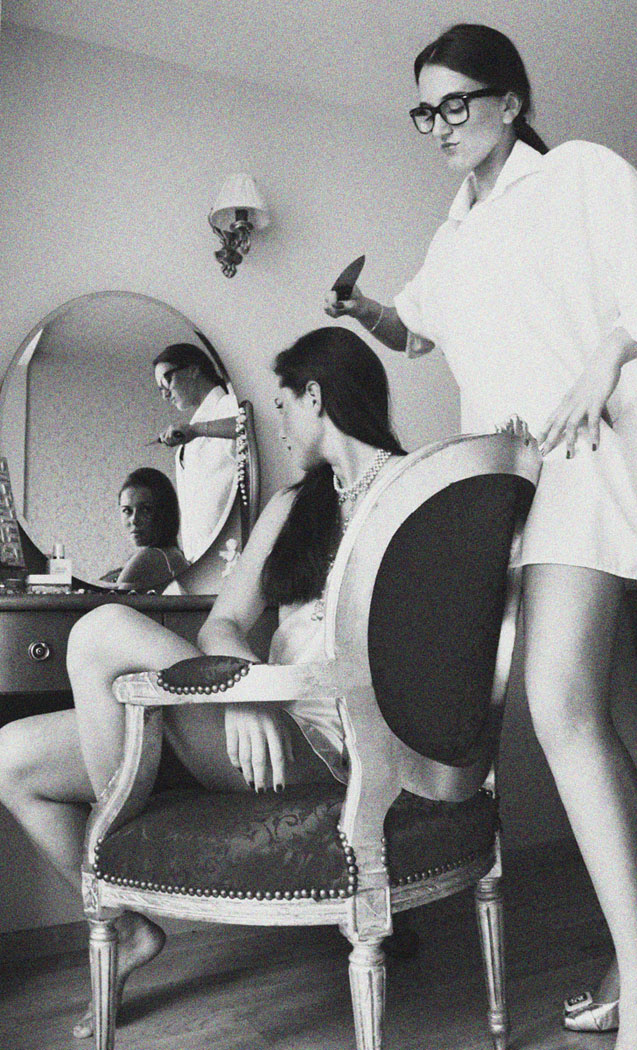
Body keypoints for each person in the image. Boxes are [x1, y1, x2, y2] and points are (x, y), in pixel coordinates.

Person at [324, 23, 637, 1050]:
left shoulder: (580, 174)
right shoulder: (455, 235)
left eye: (455, 103)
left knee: (561, 705)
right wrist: (362, 309)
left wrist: (602, 360)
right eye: (425, 111)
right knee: (614, 712)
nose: (439, 125)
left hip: (590, 461)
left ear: (510, 100)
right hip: (521, 490)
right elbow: (419, 328)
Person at [0, 326, 404, 1039]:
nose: (278, 423)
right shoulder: (293, 507)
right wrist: (242, 688)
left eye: (282, 404)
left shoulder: (414, 491)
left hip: (327, 745)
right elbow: (223, 624)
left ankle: (118, 850)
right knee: (11, 759)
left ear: (315, 396)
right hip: (258, 725)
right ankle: (125, 924)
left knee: (100, 631)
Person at [153, 343, 240, 562]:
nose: (165, 394)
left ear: (193, 369)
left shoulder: (228, 405)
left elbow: (247, 428)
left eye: (167, 380)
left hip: (228, 549)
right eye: (159, 388)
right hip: (200, 556)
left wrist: (197, 430)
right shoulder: (194, 424)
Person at [100, 467, 189, 592]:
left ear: (165, 512)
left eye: (146, 509)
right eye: (127, 510)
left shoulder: (151, 557)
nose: (134, 520)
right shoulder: (171, 554)